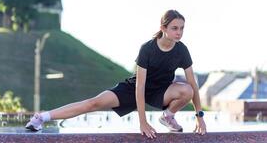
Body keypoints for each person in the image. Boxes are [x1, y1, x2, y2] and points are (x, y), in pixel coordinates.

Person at [25, 10, 207, 138]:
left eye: (182, 28)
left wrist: (200, 118)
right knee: (94, 103)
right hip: (134, 89)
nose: (179, 32)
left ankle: (168, 116)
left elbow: (193, 83)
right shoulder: (148, 49)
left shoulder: (182, 50)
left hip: (163, 91)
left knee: (188, 90)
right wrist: (142, 122)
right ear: (163, 27)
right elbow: (140, 86)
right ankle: (42, 117)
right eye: (175, 28)